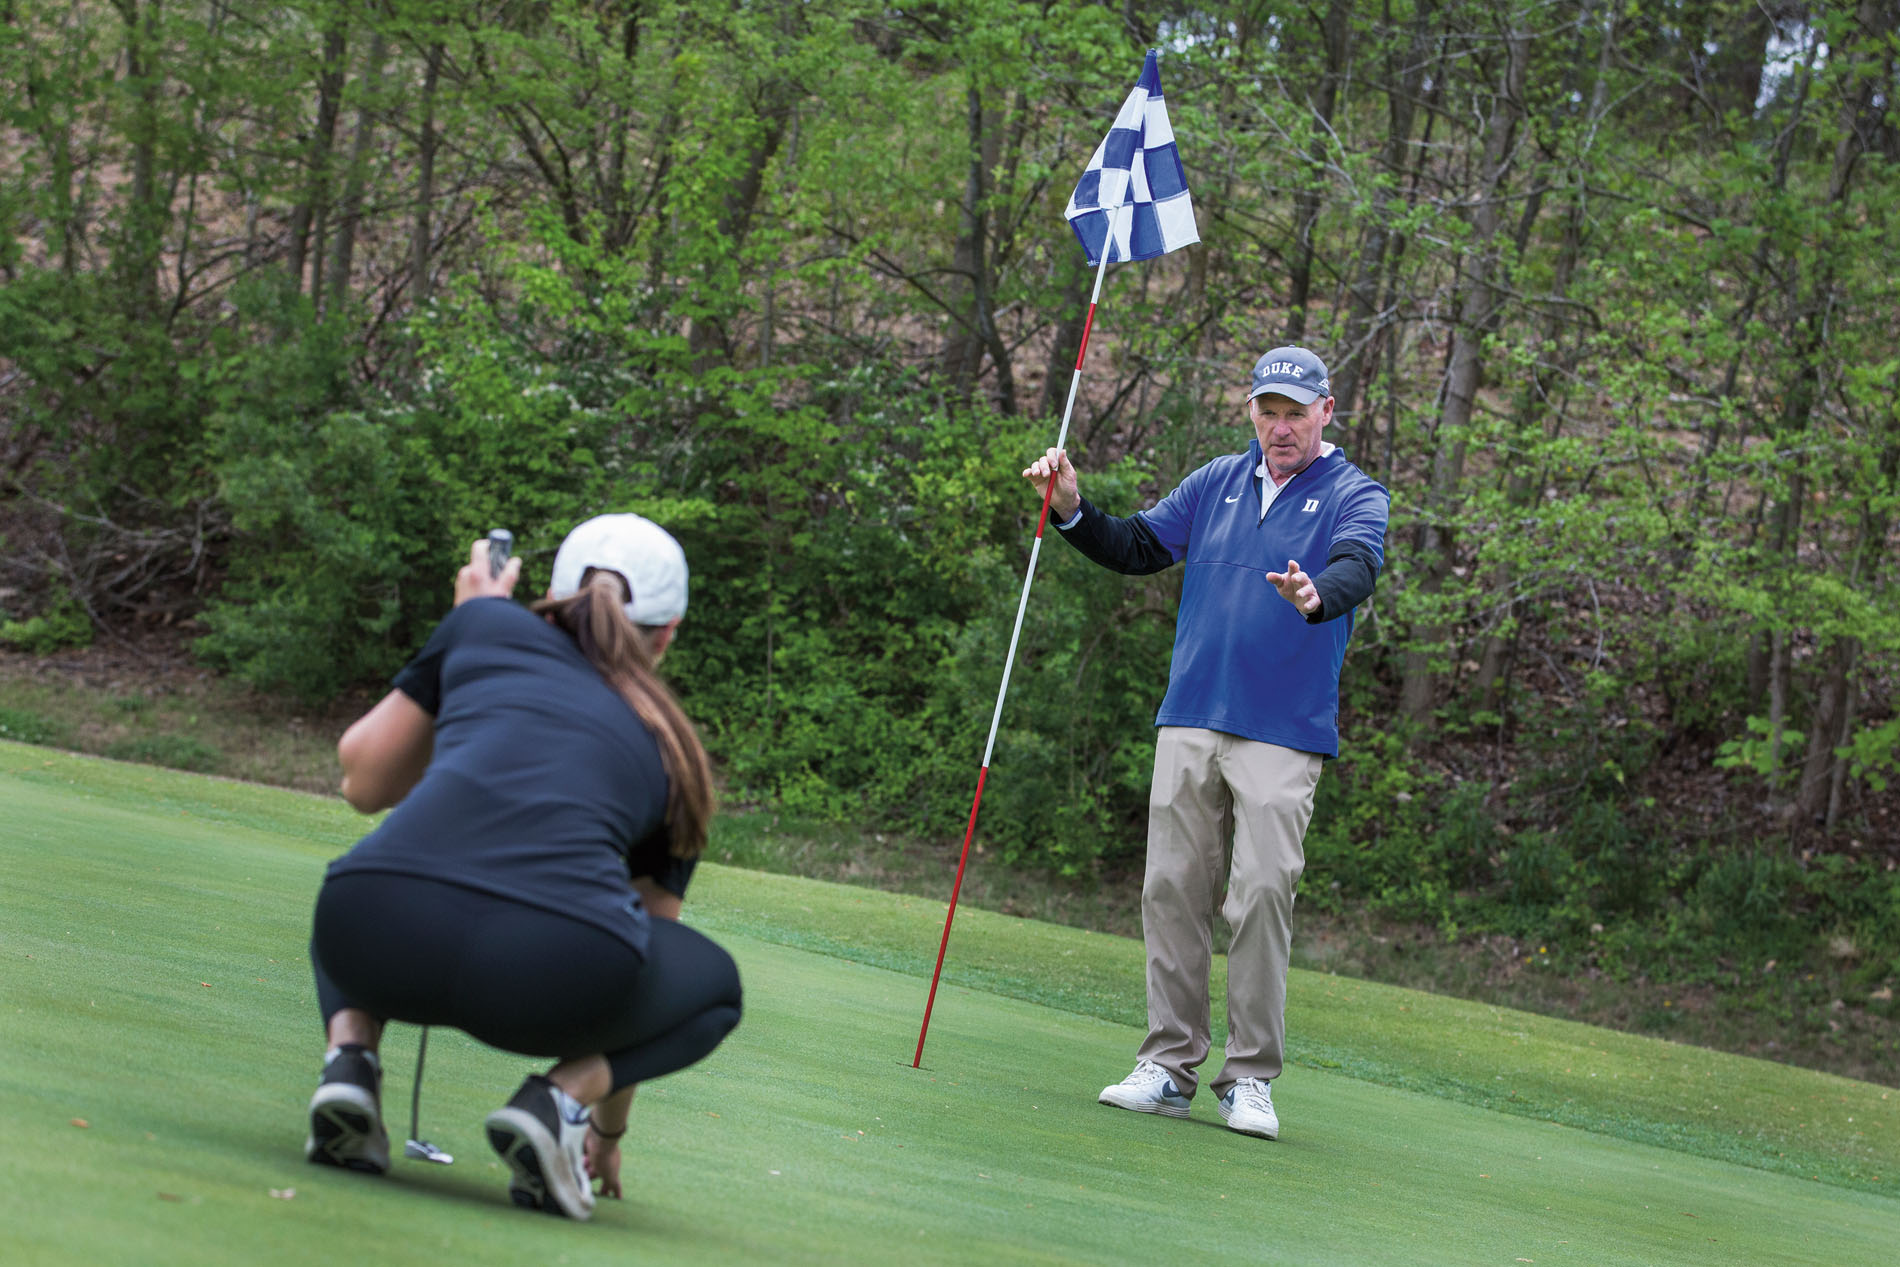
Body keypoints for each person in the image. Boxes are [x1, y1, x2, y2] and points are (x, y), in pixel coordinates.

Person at [303, 513, 741, 1220]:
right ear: (668, 632)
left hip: (374, 933)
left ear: (554, 595)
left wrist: (463, 633)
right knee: (716, 985)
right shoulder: (675, 747)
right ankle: (558, 1103)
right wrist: (608, 1126)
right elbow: (647, 951)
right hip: (547, 979)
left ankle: (349, 1058)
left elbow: (363, 782)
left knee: (372, 867)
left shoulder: (484, 626)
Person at [1022, 346, 1388, 1141]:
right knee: (1173, 887)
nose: (1281, 426)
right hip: (1190, 713)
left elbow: (1360, 564)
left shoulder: (1356, 493)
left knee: (1260, 892)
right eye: (1269, 410)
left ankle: (1249, 1077)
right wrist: (1072, 509)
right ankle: (1168, 1065)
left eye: (1297, 412)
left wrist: (1318, 592)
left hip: (1283, 732)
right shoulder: (1217, 481)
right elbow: (1138, 547)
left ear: (1328, 410)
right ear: (1251, 411)